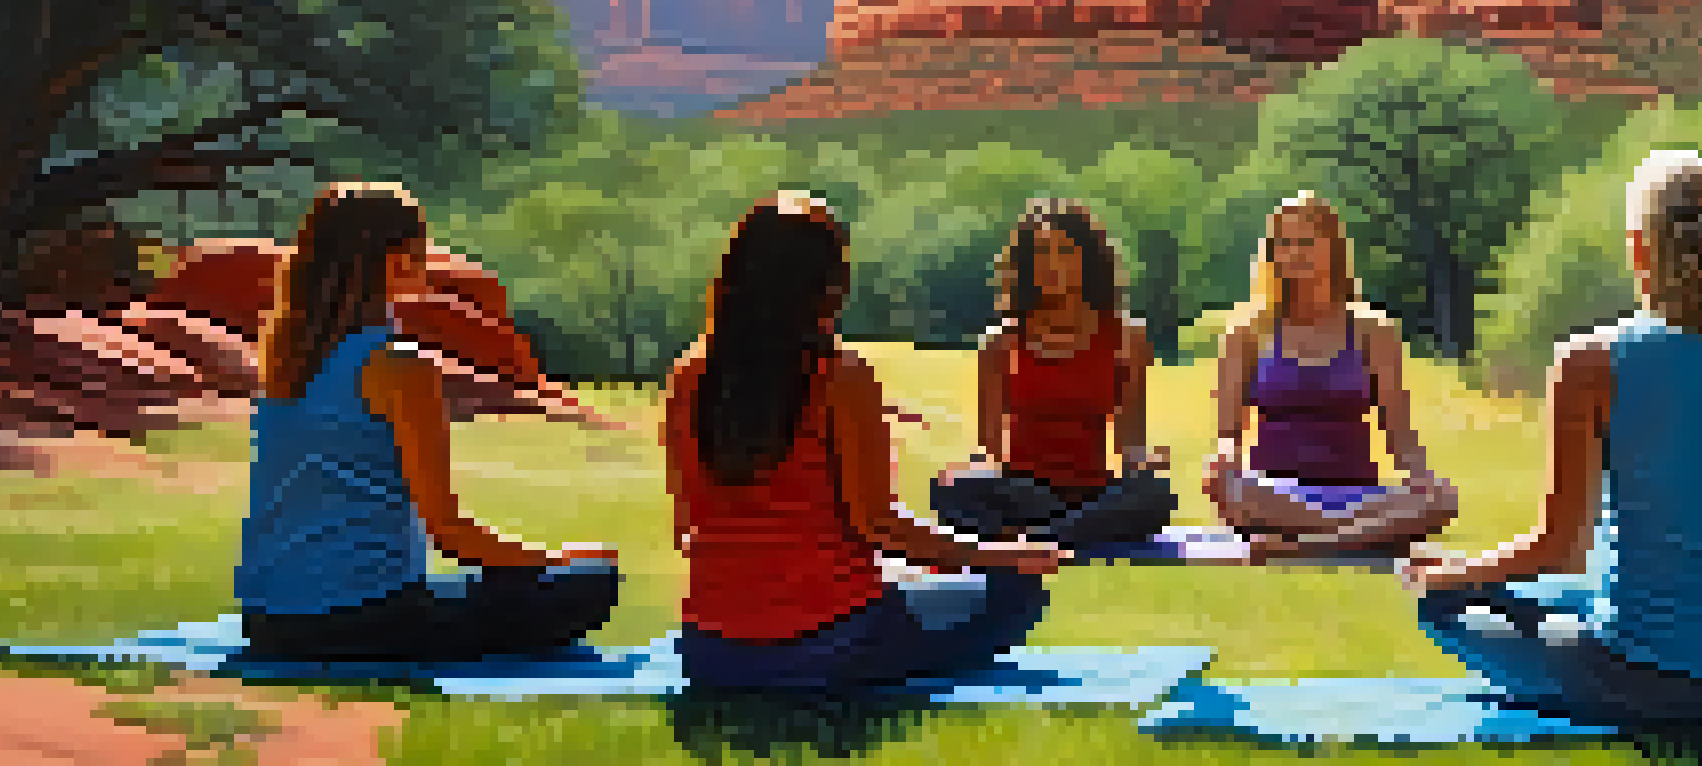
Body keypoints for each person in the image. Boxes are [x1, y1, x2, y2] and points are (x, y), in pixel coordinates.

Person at [1401, 151, 1702, 724]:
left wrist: (1452, 572)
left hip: (1654, 682)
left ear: (1639, 246)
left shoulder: (1592, 362)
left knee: (1440, 605)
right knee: (1556, 590)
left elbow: (1559, 548)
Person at [664, 192, 1065, 690]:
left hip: (712, 652)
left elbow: (688, 524)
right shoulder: (840, 375)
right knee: (1015, 589)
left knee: (924, 585)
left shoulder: (688, 375)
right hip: (832, 644)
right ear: (826, 285)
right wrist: (1001, 555)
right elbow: (879, 525)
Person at [236, 182, 619, 661]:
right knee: (592, 580)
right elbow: (449, 532)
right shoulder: (400, 365)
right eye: (422, 247)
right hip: (360, 619)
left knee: (501, 583)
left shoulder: (286, 359)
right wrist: (556, 558)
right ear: (396, 261)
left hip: (267, 620)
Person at [1206, 192, 1458, 561]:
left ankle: (1309, 545)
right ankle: (1359, 537)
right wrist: (1223, 462)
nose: (1296, 254)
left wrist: (1420, 480)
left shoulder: (1374, 330)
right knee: (1227, 486)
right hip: (1273, 494)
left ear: (1333, 250)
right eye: (1285, 244)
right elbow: (1228, 434)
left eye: (1307, 242)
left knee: (1441, 499)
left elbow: (1399, 436)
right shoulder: (1247, 331)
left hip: (1355, 495)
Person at [931, 200, 1178, 549]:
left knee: (1155, 493)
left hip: (1093, 494)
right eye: (1040, 254)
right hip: (1023, 495)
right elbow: (990, 448)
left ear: (1087, 261)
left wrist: (1148, 461)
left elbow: (1129, 443)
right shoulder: (1001, 342)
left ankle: (1050, 539)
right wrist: (973, 469)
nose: (1051, 265)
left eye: (1064, 251)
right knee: (950, 488)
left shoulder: (1127, 338)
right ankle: (1067, 534)